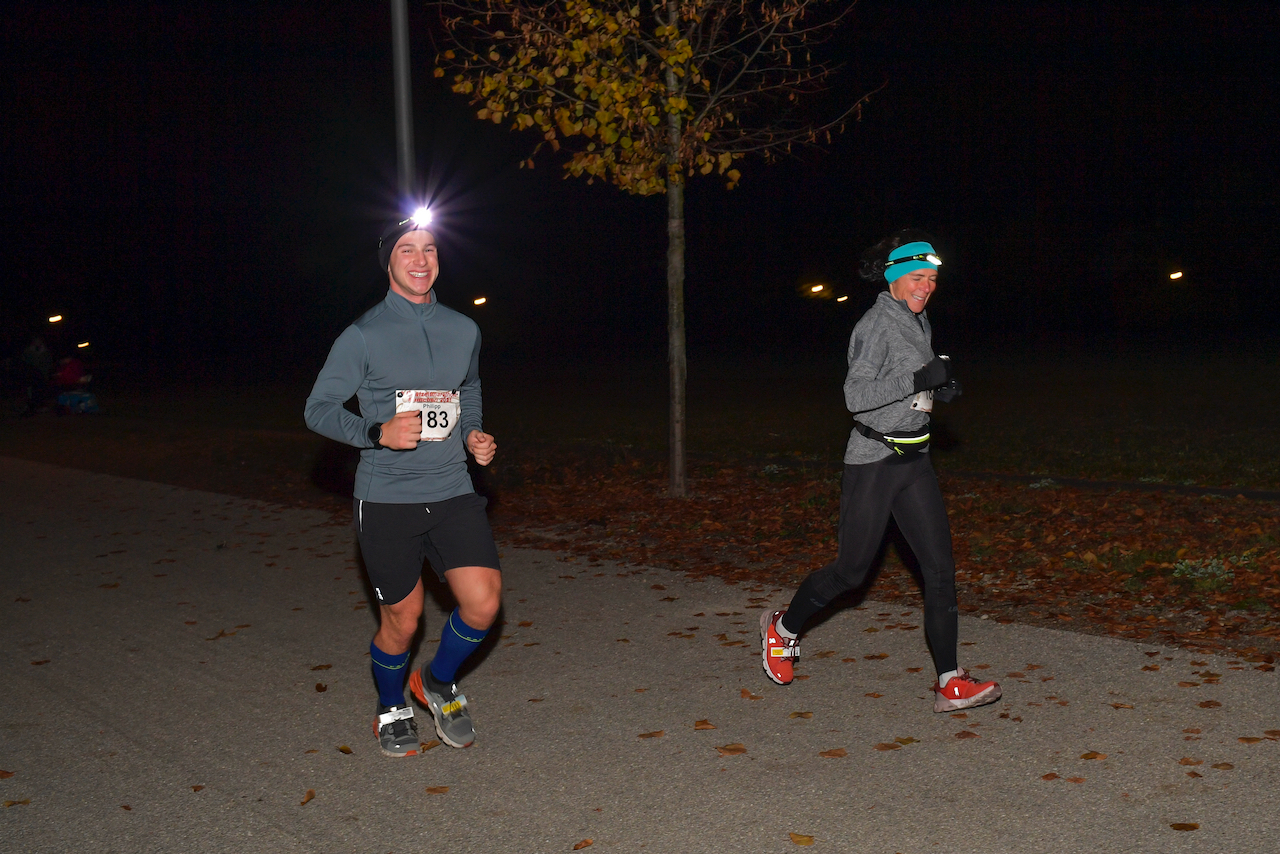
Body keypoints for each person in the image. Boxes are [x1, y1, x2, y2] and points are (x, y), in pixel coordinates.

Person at [760, 229, 1001, 713]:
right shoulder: (876, 325)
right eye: (917, 278)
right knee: (851, 572)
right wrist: (920, 377)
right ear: (893, 278)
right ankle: (781, 629)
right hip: (873, 462)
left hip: (915, 461)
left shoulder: (918, 319)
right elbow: (856, 396)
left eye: (932, 279)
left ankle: (949, 682)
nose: (926, 287)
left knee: (940, 572)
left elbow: (909, 387)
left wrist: (935, 392)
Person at [305, 211, 502, 757]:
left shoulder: (464, 328)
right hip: (387, 497)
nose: (421, 261)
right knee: (403, 619)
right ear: (389, 260)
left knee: (483, 605)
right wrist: (376, 432)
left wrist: (473, 436)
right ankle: (391, 703)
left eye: (431, 250)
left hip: (453, 489)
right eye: (408, 250)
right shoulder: (362, 335)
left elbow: (470, 387)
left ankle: (436, 682)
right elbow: (317, 409)